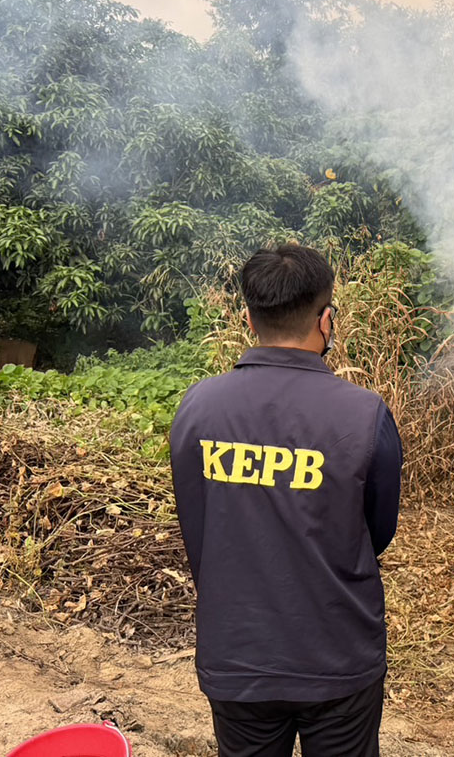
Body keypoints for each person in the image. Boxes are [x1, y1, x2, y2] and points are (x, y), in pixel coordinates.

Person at [170, 244, 403, 757]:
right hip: (338, 655)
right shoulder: (364, 415)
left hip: (238, 653)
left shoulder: (199, 406)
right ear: (327, 320)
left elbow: (198, 516)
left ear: (247, 319)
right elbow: (377, 529)